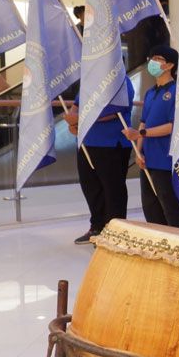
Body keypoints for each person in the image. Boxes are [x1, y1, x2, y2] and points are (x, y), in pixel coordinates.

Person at [65, 70, 135, 244]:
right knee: (91, 187)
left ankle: (115, 232)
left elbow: (112, 112)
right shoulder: (90, 81)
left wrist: (79, 118)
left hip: (112, 144)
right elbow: (76, 107)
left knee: (112, 189)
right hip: (87, 142)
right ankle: (97, 227)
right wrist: (72, 122)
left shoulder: (122, 83)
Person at [122, 46, 179, 228]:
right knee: (151, 208)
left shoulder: (177, 91)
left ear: (170, 65)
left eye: (158, 59)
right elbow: (143, 122)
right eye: (152, 57)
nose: (153, 62)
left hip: (166, 160)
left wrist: (140, 134)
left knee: (171, 207)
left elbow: (172, 126)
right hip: (148, 160)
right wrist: (138, 152)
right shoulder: (150, 93)